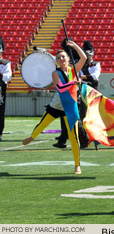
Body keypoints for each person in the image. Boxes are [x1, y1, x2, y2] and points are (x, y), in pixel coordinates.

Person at [23, 40, 87, 174]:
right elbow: (61, 88)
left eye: (63, 56)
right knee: (41, 125)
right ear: (56, 61)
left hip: (70, 106)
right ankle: (32, 136)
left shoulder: (74, 70)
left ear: (68, 58)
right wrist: (73, 83)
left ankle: (77, 165)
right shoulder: (55, 73)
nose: (61, 59)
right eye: (58, 58)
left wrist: (74, 45)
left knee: (74, 137)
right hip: (57, 105)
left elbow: (84, 58)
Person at [53, 40, 100, 149]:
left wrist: (74, 45)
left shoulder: (86, 66)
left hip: (85, 94)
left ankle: (89, 139)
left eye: (89, 54)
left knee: (85, 118)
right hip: (72, 94)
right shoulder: (67, 68)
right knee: (73, 118)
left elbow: (93, 74)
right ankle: (66, 139)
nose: (61, 60)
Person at [0, 36, 12, 141]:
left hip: (0, 88)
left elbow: (8, 76)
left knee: (0, 110)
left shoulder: (6, 63)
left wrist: (0, 75)